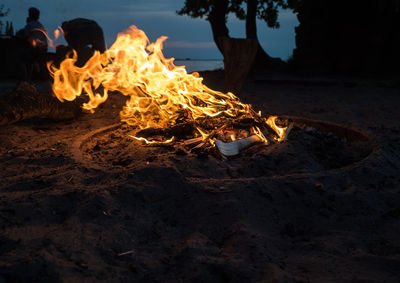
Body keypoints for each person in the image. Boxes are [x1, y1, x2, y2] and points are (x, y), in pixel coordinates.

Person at [16, 7, 48, 81]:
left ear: (30, 15)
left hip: (36, 49)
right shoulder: (40, 25)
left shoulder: (30, 25)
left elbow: (24, 34)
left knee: (22, 59)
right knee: (29, 59)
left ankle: (26, 79)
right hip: (43, 49)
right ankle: (28, 79)